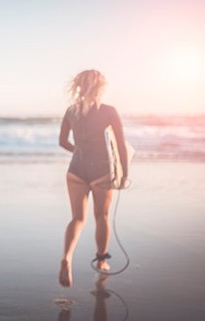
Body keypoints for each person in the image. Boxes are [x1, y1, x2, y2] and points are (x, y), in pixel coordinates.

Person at [57, 69, 129, 288]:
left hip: (75, 170)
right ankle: (101, 260)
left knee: (77, 218)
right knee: (102, 216)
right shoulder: (108, 111)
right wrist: (124, 174)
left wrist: (78, 151)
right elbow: (121, 146)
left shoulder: (71, 110)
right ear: (101, 87)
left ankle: (67, 257)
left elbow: (62, 141)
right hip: (101, 171)